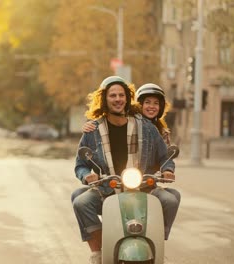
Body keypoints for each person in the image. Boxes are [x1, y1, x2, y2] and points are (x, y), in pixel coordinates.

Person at [71, 76, 176, 264]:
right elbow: (80, 164)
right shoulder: (93, 130)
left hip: (143, 186)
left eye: (121, 95)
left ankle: (157, 243)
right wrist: (87, 175)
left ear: (127, 98)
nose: (118, 99)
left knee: (169, 199)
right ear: (104, 99)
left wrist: (168, 169)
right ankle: (98, 252)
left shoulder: (146, 126)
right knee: (80, 202)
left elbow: (164, 156)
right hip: (107, 187)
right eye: (113, 95)